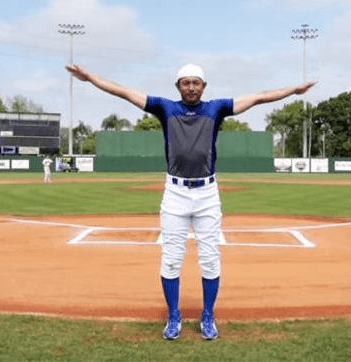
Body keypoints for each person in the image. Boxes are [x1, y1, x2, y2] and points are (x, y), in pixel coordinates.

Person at [66, 63, 315, 340]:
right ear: (178, 87)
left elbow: (257, 97)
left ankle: (207, 316)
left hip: (207, 194)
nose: (192, 87)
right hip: (175, 194)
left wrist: (294, 90)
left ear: (204, 86)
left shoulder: (216, 109)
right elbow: (125, 92)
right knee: (171, 260)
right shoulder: (164, 108)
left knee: (210, 260)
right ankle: (174, 317)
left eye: (196, 83)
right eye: (186, 83)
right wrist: (90, 78)